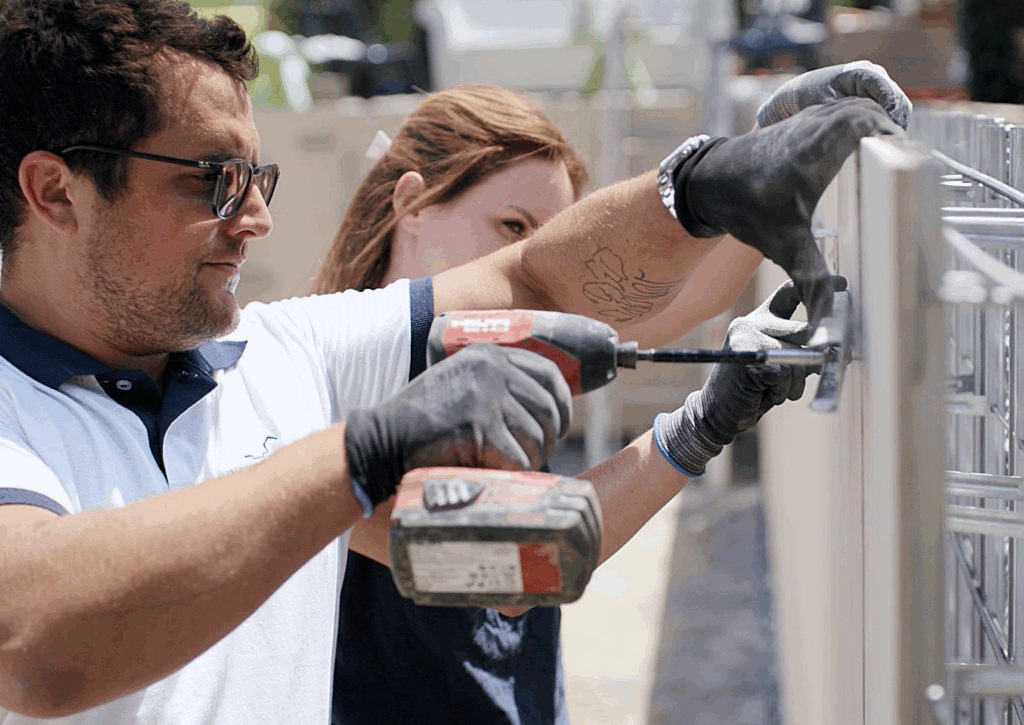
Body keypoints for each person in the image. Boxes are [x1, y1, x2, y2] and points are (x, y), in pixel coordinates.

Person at [0, 2, 902, 723]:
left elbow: (546, 281)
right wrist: (365, 450)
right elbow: (33, 641)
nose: (256, 220)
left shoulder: (281, 355)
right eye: (213, 180)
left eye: (257, 180)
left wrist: (707, 185)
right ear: (54, 191)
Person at [315, 72, 910, 725]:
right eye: (512, 226)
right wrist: (697, 429)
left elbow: (689, 299)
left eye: (548, 239)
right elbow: (516, 557)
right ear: (412, 205)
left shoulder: (485, 344)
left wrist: (763, 147)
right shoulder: (330, 392)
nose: (534, 267)